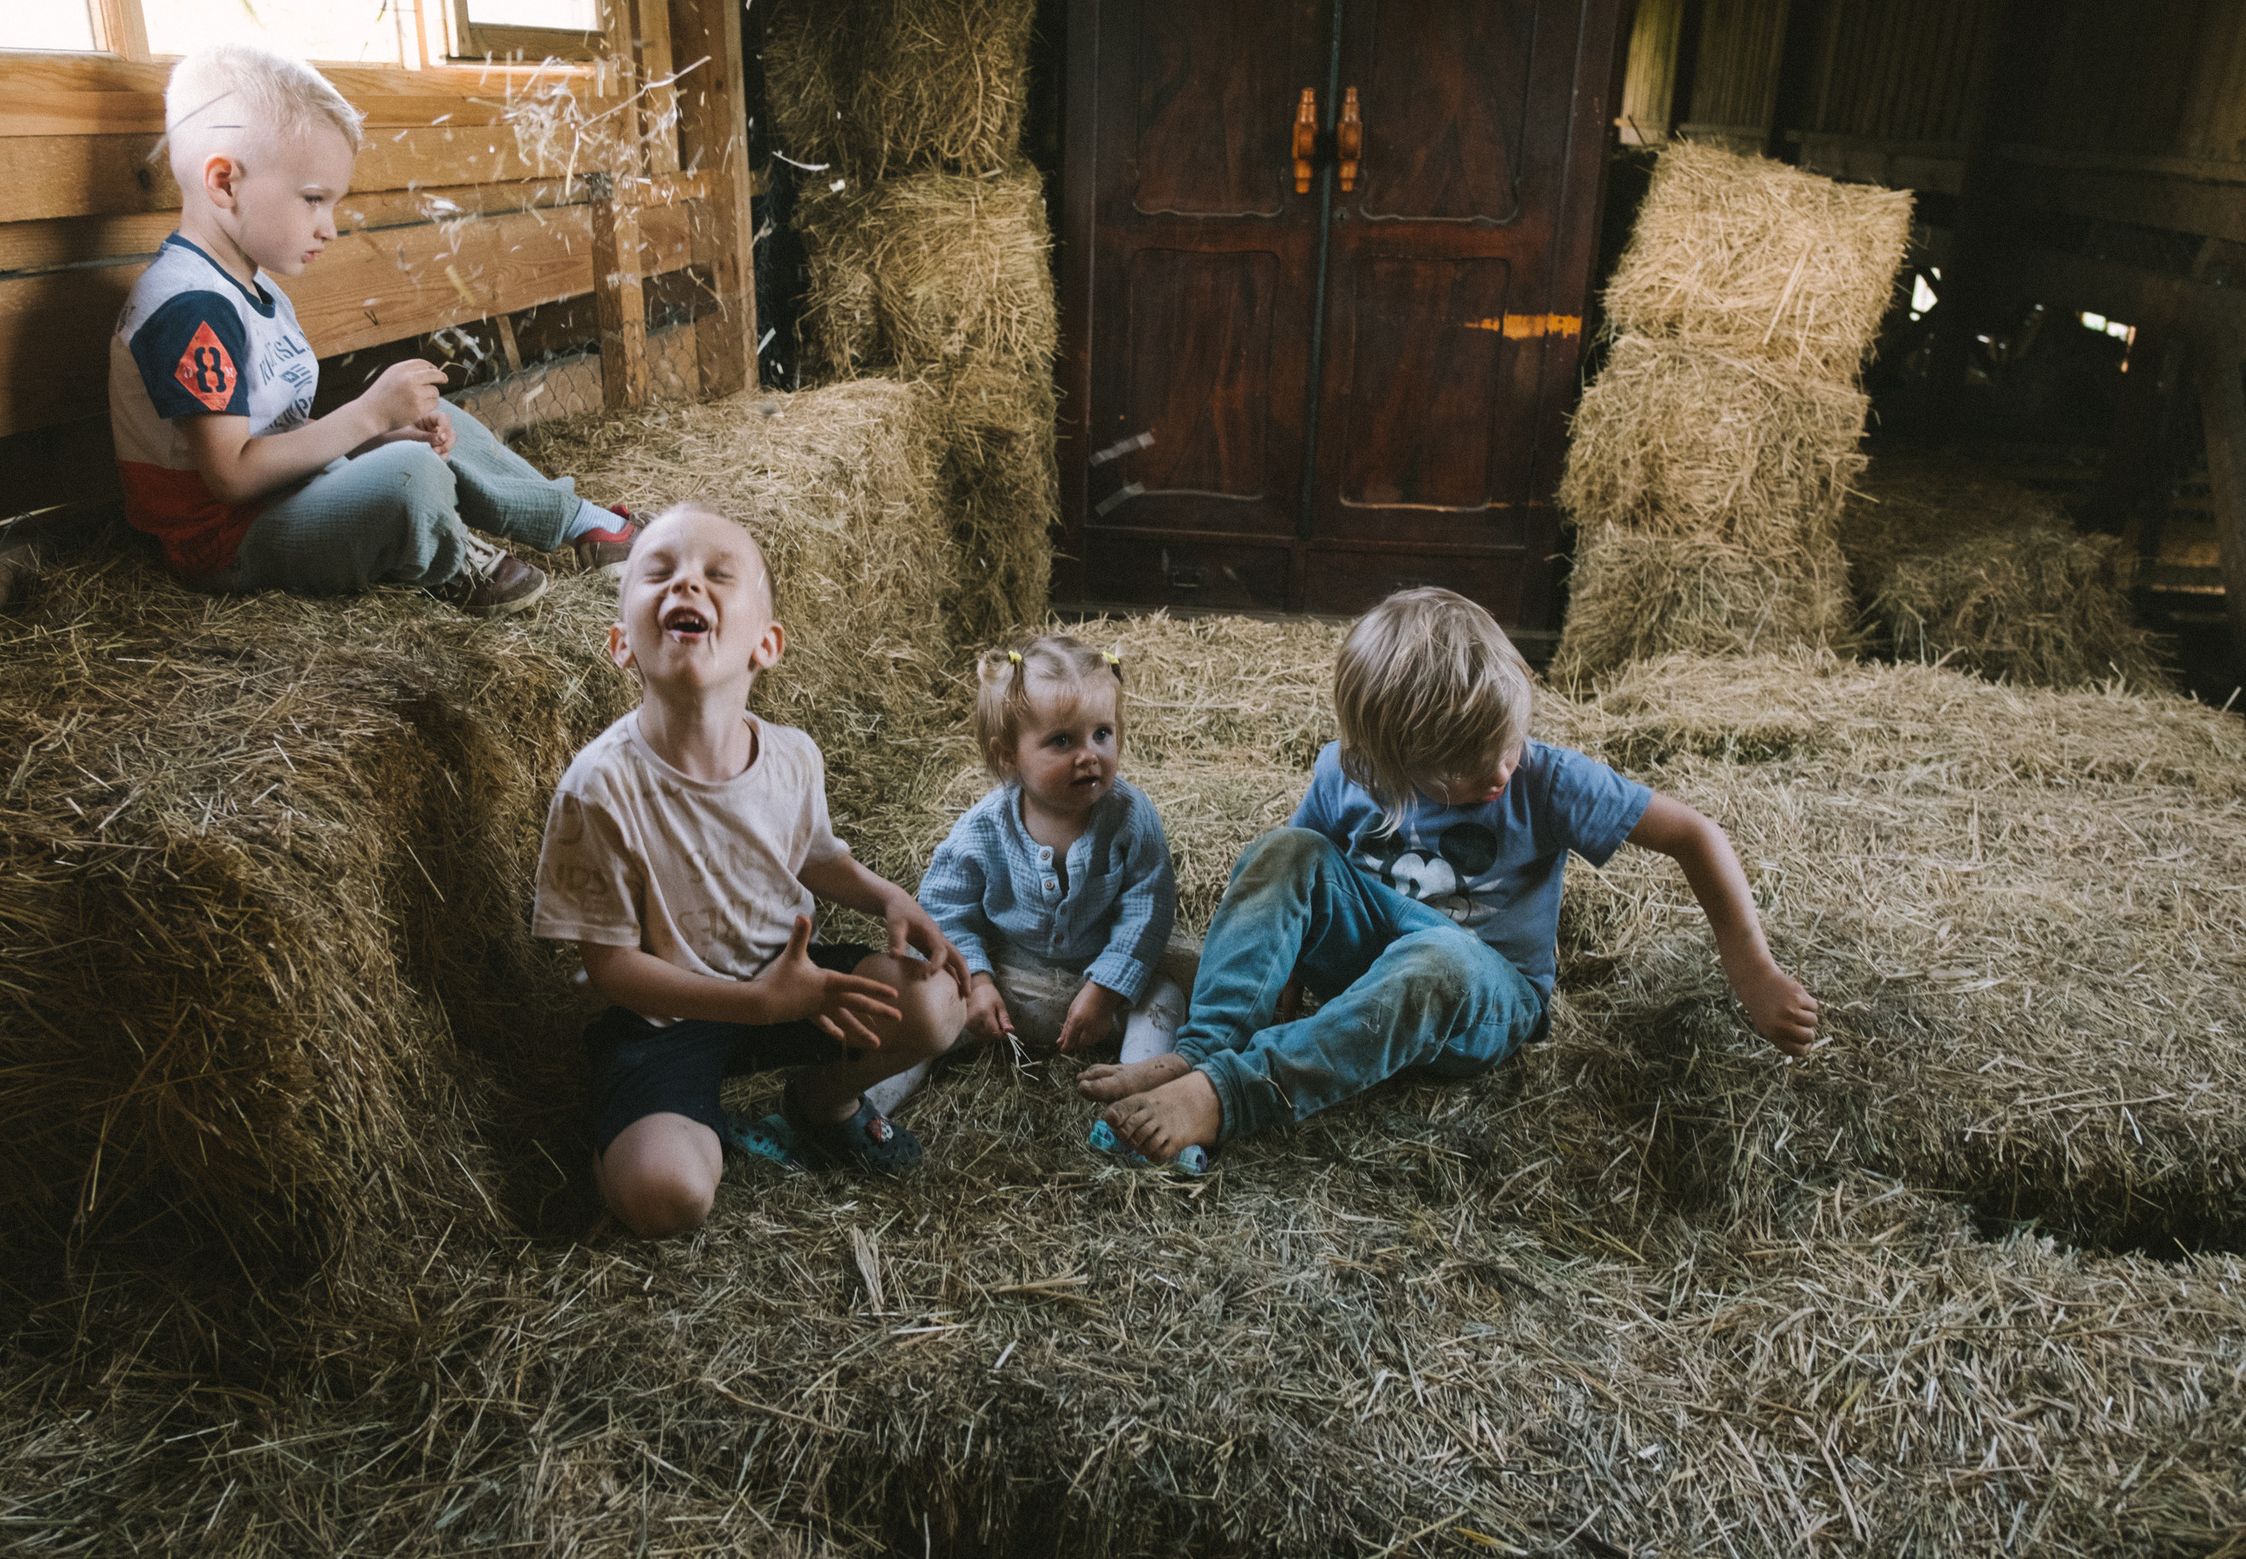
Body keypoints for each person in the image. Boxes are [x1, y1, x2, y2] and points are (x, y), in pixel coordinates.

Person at [1081, 587, 1819, 1161]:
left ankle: (1229, 1094)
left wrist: (1753, 969)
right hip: (1375, 965)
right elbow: (1298, 884)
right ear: (1390, 762)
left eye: (1508, 743)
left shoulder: (1546, 778)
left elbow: (1694, 834)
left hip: (1484, 992)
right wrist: (1285, 980)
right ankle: (1203, 1048)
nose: (1500, 770)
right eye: (1466, 769)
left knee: (1436, 955)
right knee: (1285, 848)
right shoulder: (1348, 769)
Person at [531, 506, 973, 1238]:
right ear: (621, 643)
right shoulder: (598, 787)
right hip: (663, 1020)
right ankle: (633, 1139)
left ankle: (822, 1102)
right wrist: (754, 1004)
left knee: (937, 1007)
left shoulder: (792, 755)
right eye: (659, 572)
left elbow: (813, 856)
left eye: (717, 574)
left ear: (766, 644)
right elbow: (611, 968)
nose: (686, 584)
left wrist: (887, 896)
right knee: (666, 1198)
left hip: (791, 983)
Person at [110, 41, 634, 615]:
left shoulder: (248, 286)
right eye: (313, 199)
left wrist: (379, 434)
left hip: (285, 493)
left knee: (423, 420)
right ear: (225, 184)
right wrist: (366, 417)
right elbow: (232, 475)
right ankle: (448, 554)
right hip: (227, 539)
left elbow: (280, 427)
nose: (329, 227)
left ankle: (583, 522)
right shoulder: (189, 308)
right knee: (410, 474)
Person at [866, 637, 1189, 1119]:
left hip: (1096, 992)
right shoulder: (984, 826)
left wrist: (1106, 991)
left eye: (1102, 733)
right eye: (1062, 741)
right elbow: (945, 909)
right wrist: (977, 982)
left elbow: (1148, 908)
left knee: (1165, 996)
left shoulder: (1130, 815)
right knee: (924, 997)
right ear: (1008, 756)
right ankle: (866, 1104)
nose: (1089, 755)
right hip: (1003, 988)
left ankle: (1136, 1105)